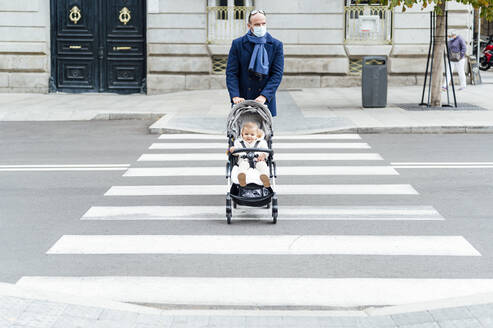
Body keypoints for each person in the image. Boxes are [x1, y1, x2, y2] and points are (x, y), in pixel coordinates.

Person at [225, 9, 284, 117]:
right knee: (241, 133)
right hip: (242, 100)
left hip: (264, 101)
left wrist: (264, 96)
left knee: (262, 133)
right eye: (257, 24)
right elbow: (231, 73)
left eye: (263, 23)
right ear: (249, 26)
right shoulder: (238, 44)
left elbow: (277, 74)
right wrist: (235, 96)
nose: (261, 27)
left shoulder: (276, 45)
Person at [229, 122, 270, 188]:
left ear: (257, 135)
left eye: (252, 134)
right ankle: (241, 176)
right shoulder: (239, 142)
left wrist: (264, 155)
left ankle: (264, 177)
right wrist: (233, 150)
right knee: (242, 166)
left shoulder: (261, 142)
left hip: (258, 160)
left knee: (262, 165)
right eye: (246, 134)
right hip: (244, 160)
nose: (249, 136)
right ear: (242, 134)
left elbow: (266, 150)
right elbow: (236, 153)